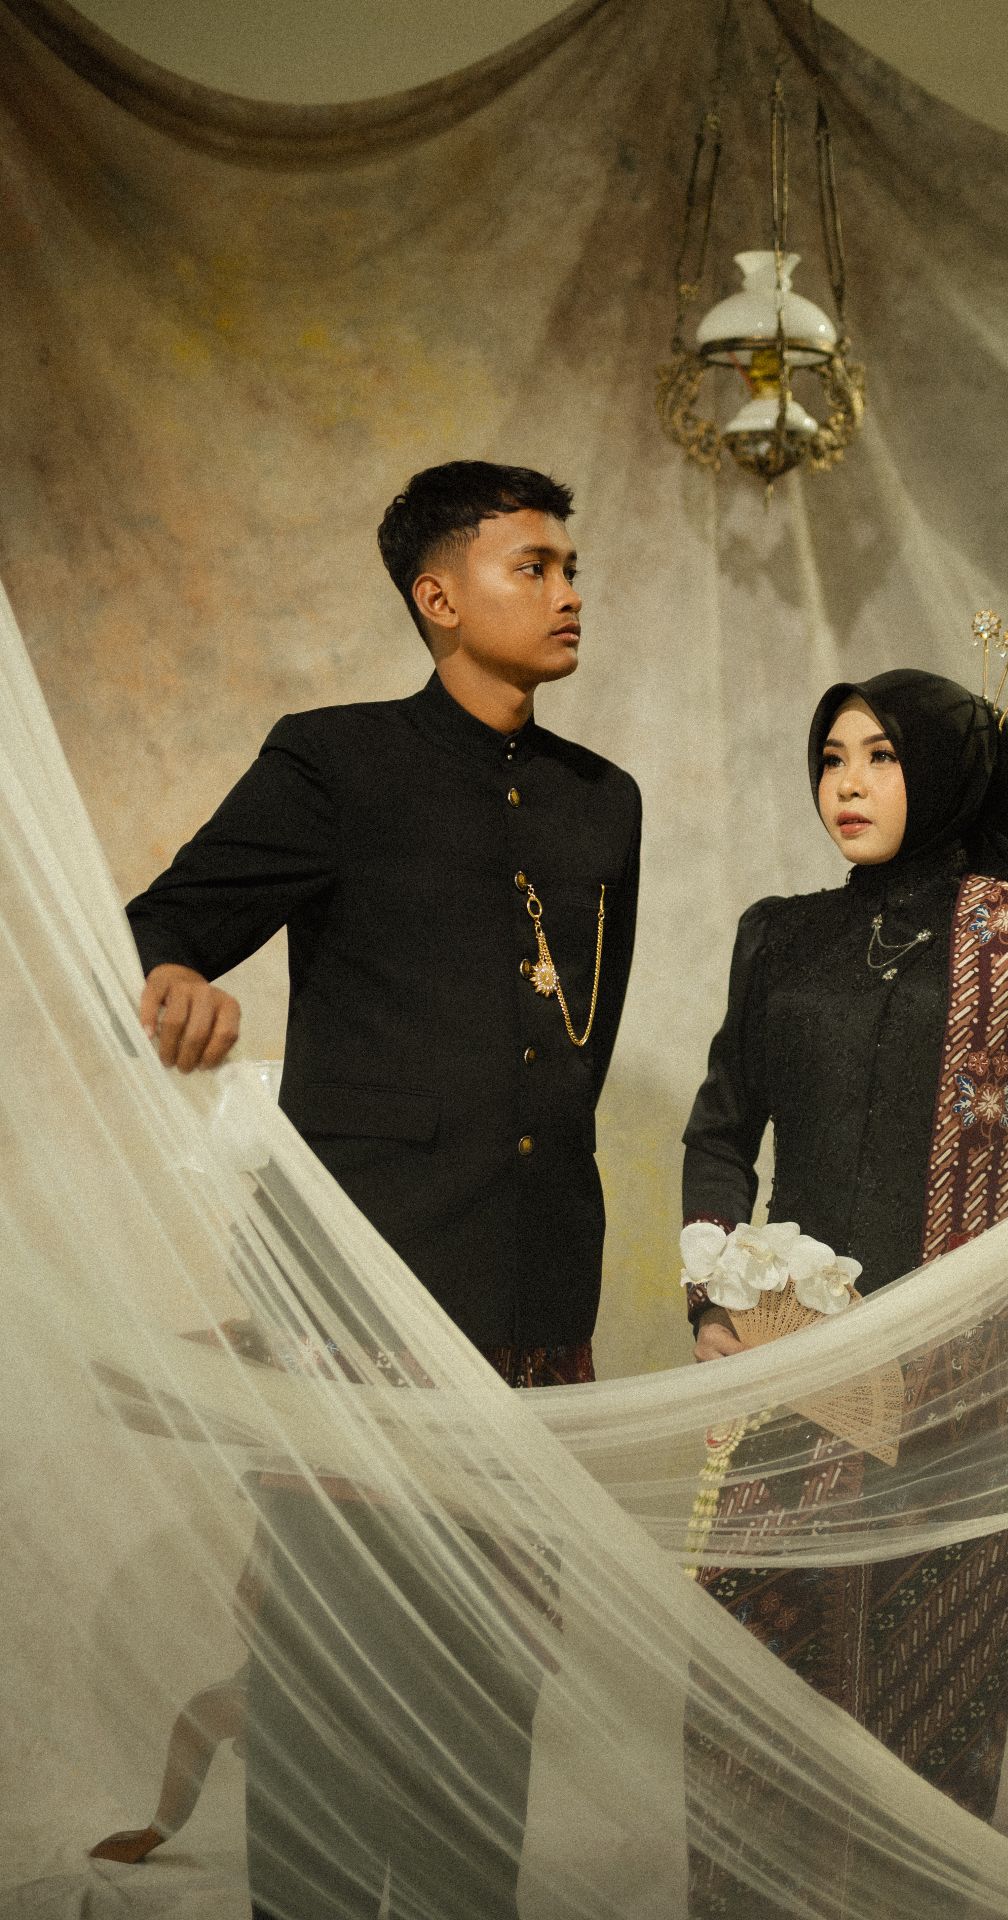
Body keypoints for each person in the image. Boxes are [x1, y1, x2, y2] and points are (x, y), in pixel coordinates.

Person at [125, 459, 642, 1918]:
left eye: (571, 566)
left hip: (535, 1283)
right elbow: (169, 919)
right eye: (533, 566)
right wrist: (175, 978)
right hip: (359, 1279)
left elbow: (578, 1042)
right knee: (331, 1666)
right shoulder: (334, 762)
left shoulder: (604, 799)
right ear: (438, 597)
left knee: (496, 1663)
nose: (568, 591)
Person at [680, 669, 1008, 1902]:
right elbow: (720, 1131)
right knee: (752, 1666)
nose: (845, 784)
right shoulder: (777, 935)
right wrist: (712, 1292)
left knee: (930, 1680)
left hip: (981, 1360)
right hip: (800, 1345)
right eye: (831, 757)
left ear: (949, 775)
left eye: (881, 756)